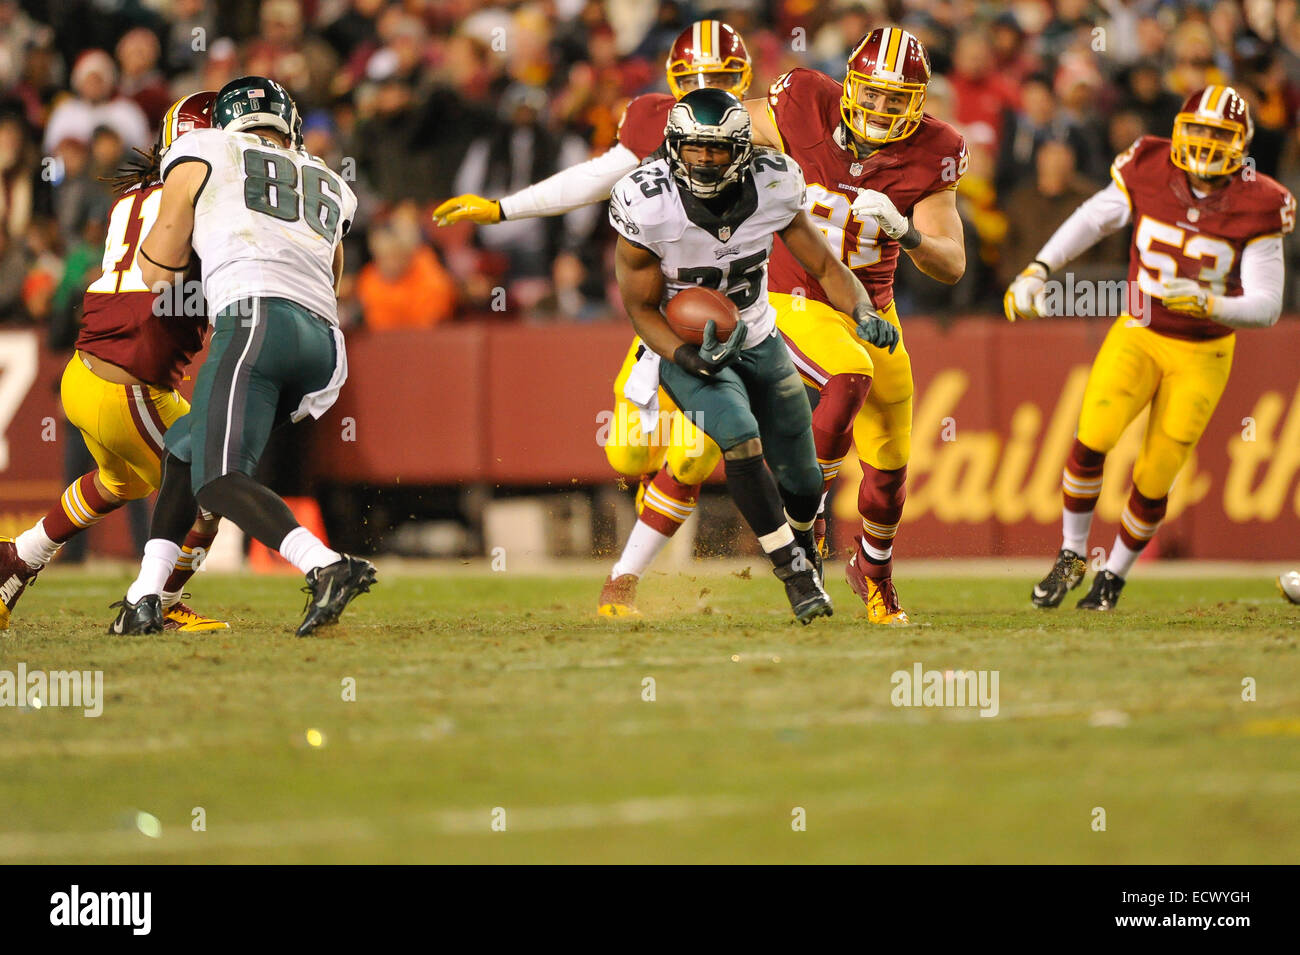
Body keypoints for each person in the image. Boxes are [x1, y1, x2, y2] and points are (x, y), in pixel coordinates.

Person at [432, 20, 753, 616]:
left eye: (725, 78)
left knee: (691, 455)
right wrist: (506, 208)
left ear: (747, 80)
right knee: (629, 457)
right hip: (666, 314)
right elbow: (599, 175)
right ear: (676, 81)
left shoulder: (772, 130)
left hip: (742, 313)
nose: (711, 88)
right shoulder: (653, 120)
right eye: (699, 79)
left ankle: (625, 579)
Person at [609, 88, 897, 623]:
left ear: (742, 148)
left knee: (805, 483)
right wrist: (683, 356)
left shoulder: (774, 182)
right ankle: (793, 573)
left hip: (760, 337)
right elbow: (641, 307)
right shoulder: (647, 201)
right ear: (674, 145)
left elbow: (828, 267)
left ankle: (805, 545)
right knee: (739, 437)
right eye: (693, 148)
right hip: (689, 345)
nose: (703, 159)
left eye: (716, 150)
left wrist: (862, 309)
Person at [1005, 86, 1294, 610]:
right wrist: (1040, 268)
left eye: (1220, 136)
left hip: (1203, 351)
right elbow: (1095, 217)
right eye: (1199, 132)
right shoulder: (1149, 162)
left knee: (1156, 472)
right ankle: (1071, 554)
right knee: (1093, 434)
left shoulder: (1261, 202)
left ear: (1242, 145)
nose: (1207, 146)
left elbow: (1267, 305)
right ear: (1178, 131)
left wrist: (1208, 302)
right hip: (1139, 328)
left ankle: (1112, 575)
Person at [110, 76, 375, 636]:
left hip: (255, 322)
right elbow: (333, 275)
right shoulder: (327, 177)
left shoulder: (201, 148)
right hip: (323, 349)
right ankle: (143, 598)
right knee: (185, 451)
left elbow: (158, 269)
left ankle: (324, 564)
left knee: (217, 479)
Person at [743, 27, 969, 624]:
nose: (880, 108)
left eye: (897, 99)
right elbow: (726, 124)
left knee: (891, 466)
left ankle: (874, 574)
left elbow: (951, 263)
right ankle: (806, 530)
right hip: (796, 293)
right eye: (872, 93)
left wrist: (906, 229)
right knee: (847, 376)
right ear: (849, 86)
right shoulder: (802, 102)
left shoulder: (934, 149)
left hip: (872, 311)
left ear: (918, 103)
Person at [1, 92, 226, 632]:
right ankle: (155, 603)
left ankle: (16, 558)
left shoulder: (135, 196)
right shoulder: (206, 199)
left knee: (117, 482)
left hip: (92, 373)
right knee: (211, 493)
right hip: (129, 383)